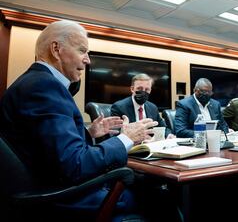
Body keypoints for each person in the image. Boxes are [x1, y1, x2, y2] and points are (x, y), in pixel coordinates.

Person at [0, 20, 158, 220]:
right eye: (82, 50)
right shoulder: (45, 87)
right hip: (61, 198)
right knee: (154, 195)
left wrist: (89, 133)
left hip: (50, 186)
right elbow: (74, 165)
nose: (88, 60)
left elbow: (46, 147)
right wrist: (125, 138)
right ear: (56, 49)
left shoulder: (35, 82)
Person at [111, 73, 175, 139]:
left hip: (150, 144)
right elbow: (115, 133)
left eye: (147, 89)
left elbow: (163, 128)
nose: (143, 92)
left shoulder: (153, 107)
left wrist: (168, 135)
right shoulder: (119, 107)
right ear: (132, 89)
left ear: (150, 90)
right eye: (140, 89)